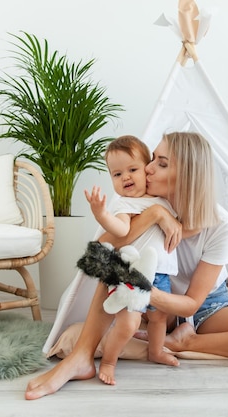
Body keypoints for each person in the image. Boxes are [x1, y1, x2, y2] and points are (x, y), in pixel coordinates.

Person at [25, 132, 228, 400]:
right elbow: (99, 252)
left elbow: (192, 303)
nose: (148, 168)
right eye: (152, 159)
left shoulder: (221, 225)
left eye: (161, 163)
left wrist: (140, 290)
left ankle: (185, 343)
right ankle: (81, 356)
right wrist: (154, 215)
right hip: (158, 313)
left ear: (188, 176)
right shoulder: (143, 202)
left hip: (206, 308)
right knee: (115, 259)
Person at [84, 135, 179, 385]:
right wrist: (101, 214)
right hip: (133, 274)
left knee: (159, 318)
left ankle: (156, 352)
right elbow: (121, 230)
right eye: (116, 174)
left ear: (147, 169)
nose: (125, 177)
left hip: (161, 273)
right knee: (129, 323)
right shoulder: (125, 204)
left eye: (132, 169)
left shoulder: (162, 198)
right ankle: (109, 361)